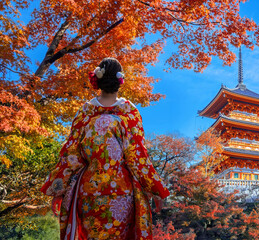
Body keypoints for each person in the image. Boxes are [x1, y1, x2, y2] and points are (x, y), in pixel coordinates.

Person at [41, 58, 170, 240]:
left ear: (98, 80)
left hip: (88, 191)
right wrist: (156, 189)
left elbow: (70, 154)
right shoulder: (128, 112)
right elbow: (136, 155)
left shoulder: (86, 112)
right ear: (120, 81)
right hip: (121, 191)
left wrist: (58, 190)